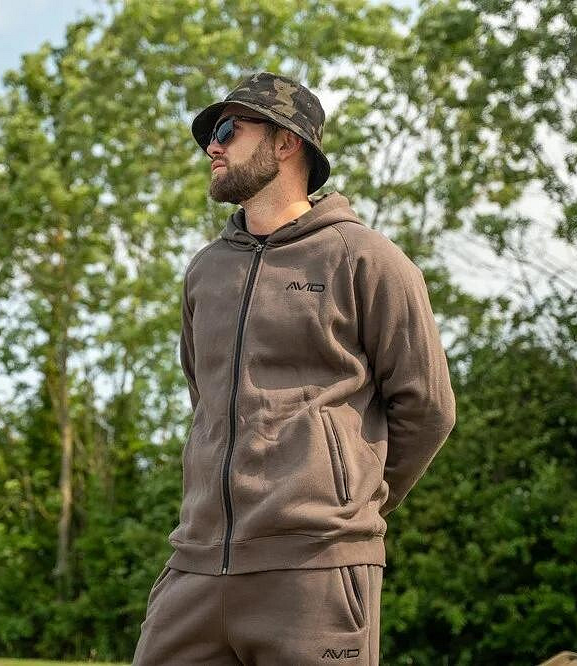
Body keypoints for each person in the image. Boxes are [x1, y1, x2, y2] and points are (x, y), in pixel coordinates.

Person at [132, 71, 457, 666]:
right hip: (196, 567)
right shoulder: (205, 271)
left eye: (228, 131)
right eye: (210, 136)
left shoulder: (366, 259)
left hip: (316, 572)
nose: (212, 148)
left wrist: (345, 504)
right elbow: (205, 399)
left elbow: (428, 409)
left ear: (287, 141)